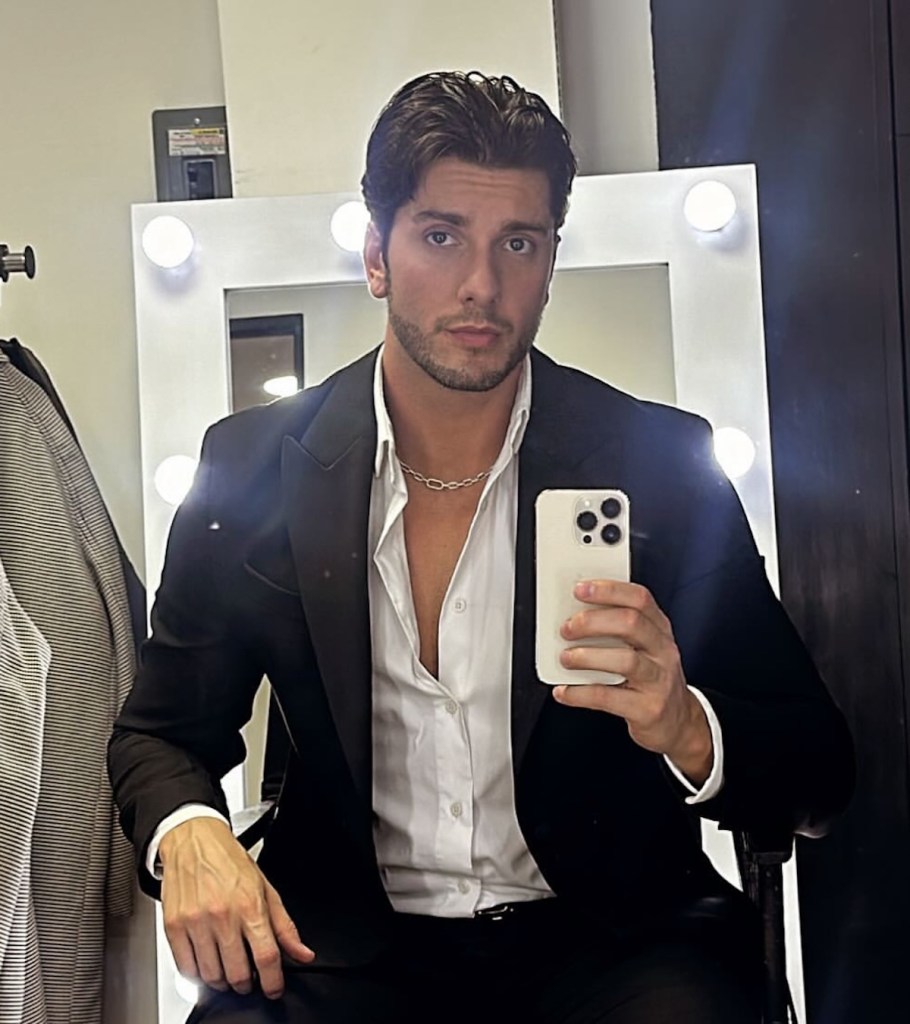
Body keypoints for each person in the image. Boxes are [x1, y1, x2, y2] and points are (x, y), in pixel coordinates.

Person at [109, 71, 854, 1023]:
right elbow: (161, 733)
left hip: (615, 939)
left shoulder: (661, 464)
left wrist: (687, 725)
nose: (481, 286)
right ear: (376, 254)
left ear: (551, 259)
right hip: (345, 948)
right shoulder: (253, 465)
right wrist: (189, 829)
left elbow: (818, 769)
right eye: (440, 235)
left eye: (518, 242)